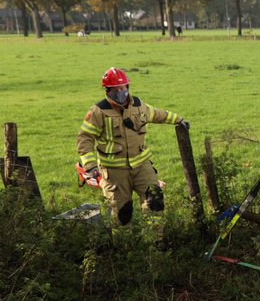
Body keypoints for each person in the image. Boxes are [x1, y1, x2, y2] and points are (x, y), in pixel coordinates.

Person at [77, 67, 189, 225]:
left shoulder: (138, 105)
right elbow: (85, 138)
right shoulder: (99, 111)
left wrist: (178, 119)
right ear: (108, 91)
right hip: (114, 172)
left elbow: (157, 114)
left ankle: (156, 242)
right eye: (116, 89)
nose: (120, 92)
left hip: (141, 166)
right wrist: (89, 165)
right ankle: (124, 246)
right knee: (122, 213)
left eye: (123, 88)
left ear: (127, 87)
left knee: (155, 201)